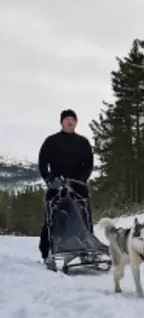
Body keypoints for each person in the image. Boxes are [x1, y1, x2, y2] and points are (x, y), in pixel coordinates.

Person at [38, 109, 95, 260]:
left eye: (72, 119)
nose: (69, 122)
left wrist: (82, 180)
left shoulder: (83, 142)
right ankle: (46, 251)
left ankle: (88, 248)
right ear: (61, 122)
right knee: (51, 214)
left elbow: (89, 163)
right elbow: (42, 162)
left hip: (78, 184)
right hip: (57, 183)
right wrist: (49, 179)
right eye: (66, 119)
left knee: (85, 215)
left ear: (76, 122)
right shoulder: (51, 141)